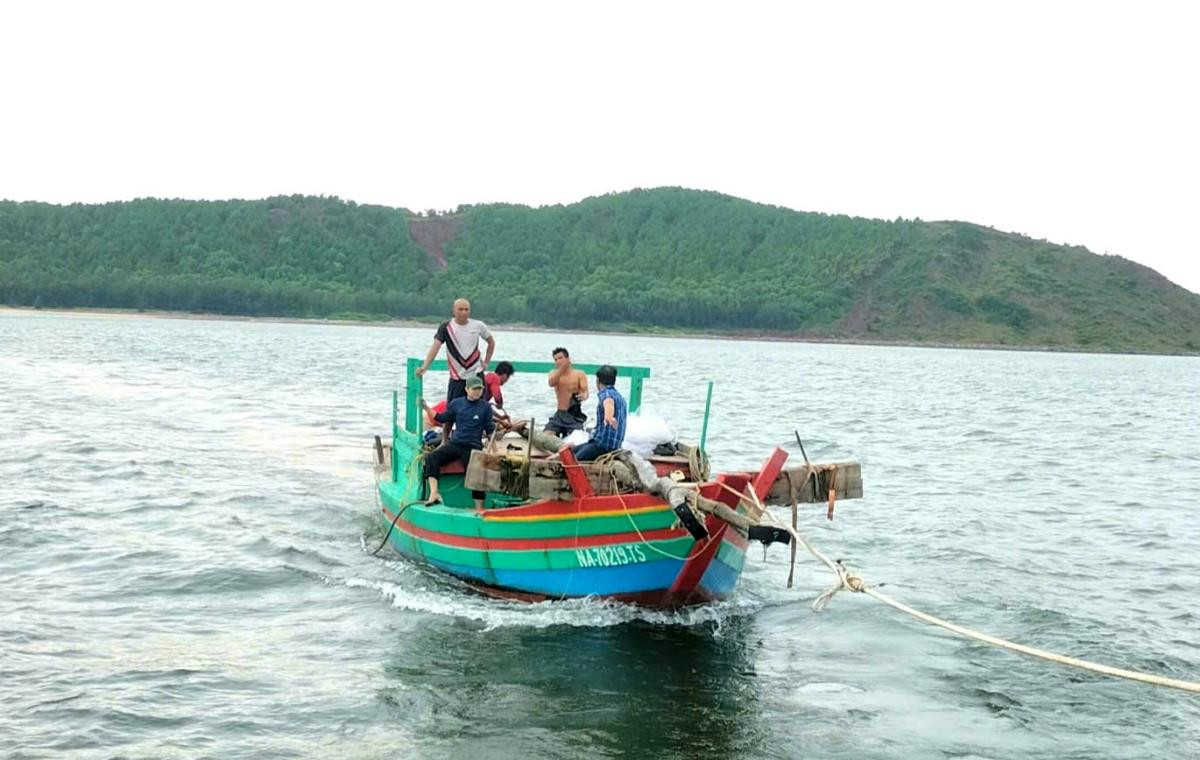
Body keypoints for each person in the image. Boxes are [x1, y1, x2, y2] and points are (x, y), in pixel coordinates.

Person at [420, 375, 495, 509]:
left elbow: (490, 430)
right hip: (456, 444)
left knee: (476, 472)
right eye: (474, 389)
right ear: (467, 389)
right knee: (431, 458)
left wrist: (495, 450)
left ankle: (479, 507)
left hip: (473, 447)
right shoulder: (456, 403)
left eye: (480, 389)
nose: (477, 391)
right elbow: (442, 418)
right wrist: (426, 408)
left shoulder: (485, 407)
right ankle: (434, 493)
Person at [415, 298, 495, 403]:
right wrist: (425, 366)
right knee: (453, 409)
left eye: (466, 309)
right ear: (454, 310)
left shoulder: (478, 325)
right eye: (460, 309)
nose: (464, 312)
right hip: (457, 377)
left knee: (479, 408)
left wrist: (486, 362)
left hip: (476, 375)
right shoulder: (446, 327)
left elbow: (491, 342)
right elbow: (435, 347)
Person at [570, 364, 627, 462]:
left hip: (603, 445)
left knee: (572, 460)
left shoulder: (606, 393)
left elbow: (608, 401)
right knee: (571, 451)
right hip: (613, 444)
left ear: (598, 381)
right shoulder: (619, 397)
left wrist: (609, 416)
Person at [544, 347, 588, 437]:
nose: (558, 361)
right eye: (555, 359)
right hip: (559, 414)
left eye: (560, 358)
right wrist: (562, 369)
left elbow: (585, 391)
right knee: (546, 436)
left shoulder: (579, 374)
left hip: (573, 414)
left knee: (578, 438)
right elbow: (551, 383)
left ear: (568, 359)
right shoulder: (553, 373)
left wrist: (584, 395)